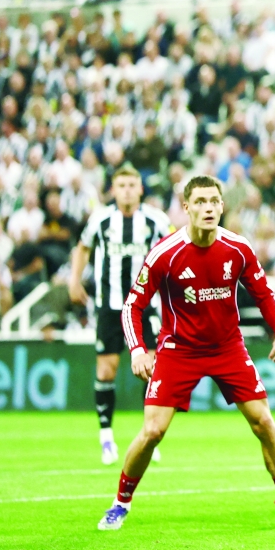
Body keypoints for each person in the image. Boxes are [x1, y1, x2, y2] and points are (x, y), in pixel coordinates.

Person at [98, 175, 275, 531]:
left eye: (214, 201)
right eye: (199, 202)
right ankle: (120, 504)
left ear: (222, 206)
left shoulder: (238, 248)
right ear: (186, 208)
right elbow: (132, 306)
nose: (208, 208)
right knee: (152, 431)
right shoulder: (165, 254)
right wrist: (138, 349)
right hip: (178, 350)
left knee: (263, 421)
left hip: (227, 347)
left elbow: (264, 294)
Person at [68, 162, 173, 465]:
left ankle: (148, 433)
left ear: (140, 189)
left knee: (151, 369)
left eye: (132, 185)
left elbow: (175, 247)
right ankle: (106, 438)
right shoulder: (100, 219)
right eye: (121, 186)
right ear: (113, 190)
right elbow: (82, 247)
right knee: (107, 369)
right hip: (110, 307)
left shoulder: (155, 220)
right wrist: (74, 280)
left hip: (146, 305)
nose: (127, 191)